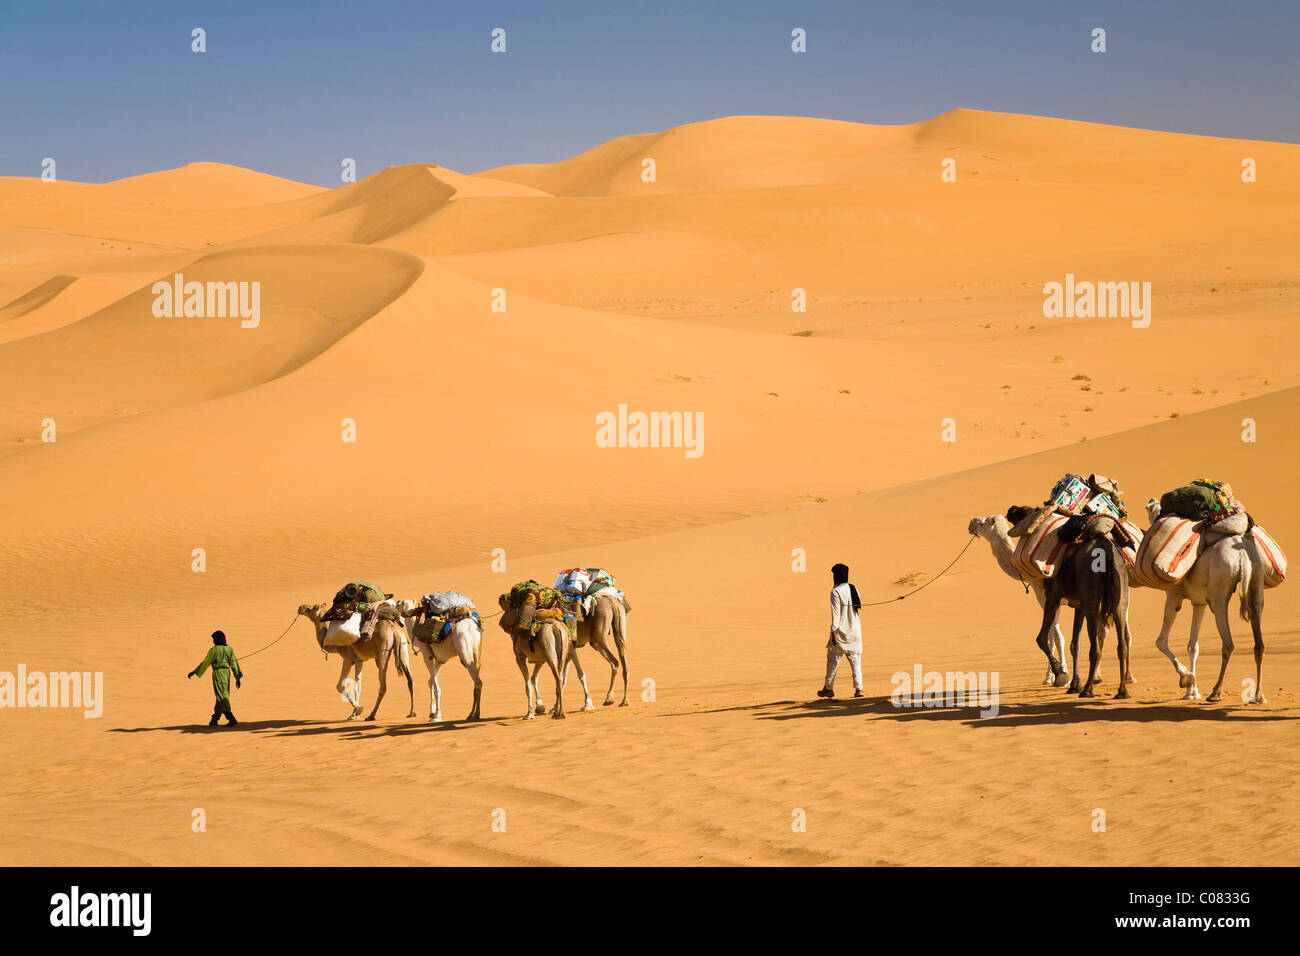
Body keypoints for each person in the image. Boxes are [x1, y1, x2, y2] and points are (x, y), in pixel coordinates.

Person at [817, 563, 863, 699]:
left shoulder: (835, 592)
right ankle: (859, 689)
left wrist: (833, 634)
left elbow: (836, 615)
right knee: (855, 660)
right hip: (855, 631)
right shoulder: (854, 588)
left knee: (832, 660)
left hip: (841, 632)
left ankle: (828, 688)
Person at [188, 630, 243, 726]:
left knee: (221, 696)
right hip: (227, 674)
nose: (213, 641)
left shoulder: (214, 650)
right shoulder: (229, 649)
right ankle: (215, 719)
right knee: (221, 695)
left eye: (214, 639)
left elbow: (205, 663)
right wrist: (237, 677)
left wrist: (194, 672)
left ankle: (231, 718)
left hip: (218, 674)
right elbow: (234, 664)